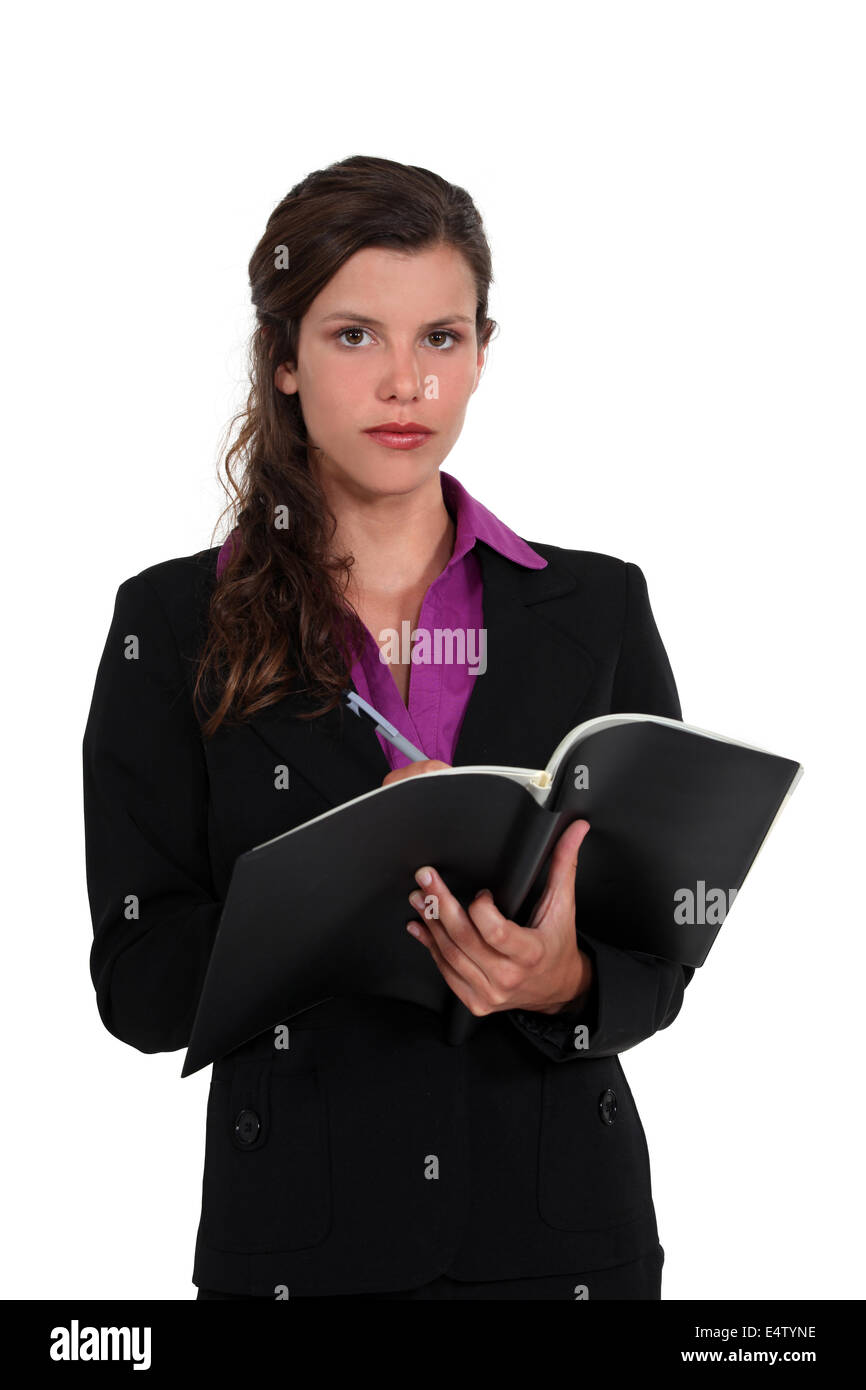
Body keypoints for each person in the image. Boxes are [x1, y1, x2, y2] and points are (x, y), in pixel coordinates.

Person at [82, 154, 693, 1301]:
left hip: (565, 1239)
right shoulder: (169, 623)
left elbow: (660, 945)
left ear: (481, 353)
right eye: (355, 336)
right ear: (284, 361)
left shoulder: (598, 607)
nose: (404, 383)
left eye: (441, 338)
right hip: (305, 1249)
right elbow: (137, 983)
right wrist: (325, 893)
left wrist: (563, 978)